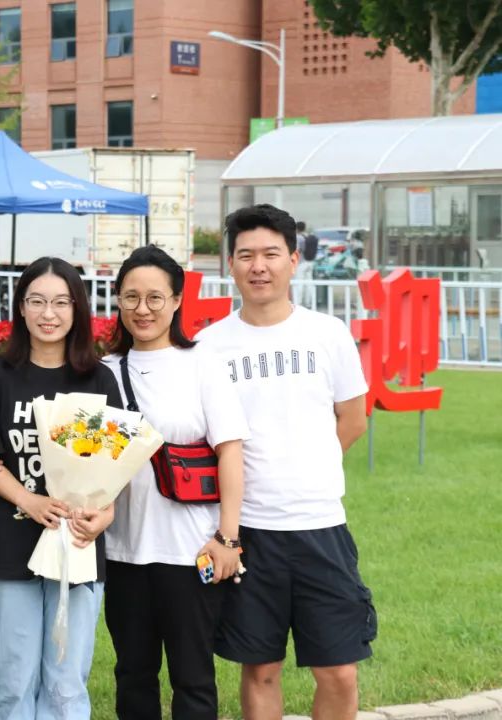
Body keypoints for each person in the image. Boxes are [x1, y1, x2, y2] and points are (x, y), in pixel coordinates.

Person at [197, 204, 374, 720]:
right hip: (250, 531)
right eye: (246, 255)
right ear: (231, 263)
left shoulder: (328, 334)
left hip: (322, 527)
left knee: (339, 671)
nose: (259, 266)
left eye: (271, 254)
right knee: (261, 670)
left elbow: (353, 419)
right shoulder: (208, 347)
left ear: (294, 260)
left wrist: (309, 468)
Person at [101, 246, 249, 720]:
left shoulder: (202, 362)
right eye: (131, 297)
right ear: (118, 300)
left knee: (193, 677)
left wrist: (228, 538)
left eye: (155, 298)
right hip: (122, 552)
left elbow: (230, 452)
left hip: (192, 552)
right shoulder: (104, 370)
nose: (142, 309)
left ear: (178, 300)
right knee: (133, 675)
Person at [0, 256, 122, 720]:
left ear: (77, 309)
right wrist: (29, 500)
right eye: (36, 301)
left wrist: (104, 516)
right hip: (10, 547)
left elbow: (114, 466)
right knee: (14, 681)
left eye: (61, 302)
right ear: (20, 307)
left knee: (66, 682)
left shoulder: (97, 379)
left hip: (77, 545)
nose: (48, 313)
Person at [293, 220, 318, 306]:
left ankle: (298, 302)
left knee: (299, 282)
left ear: (296, 228)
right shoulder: (308, 236)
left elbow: (297, 250)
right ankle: (309, 302)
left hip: (301, 263)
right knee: (309, 282)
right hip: (310, 262)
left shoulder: (298, 237)